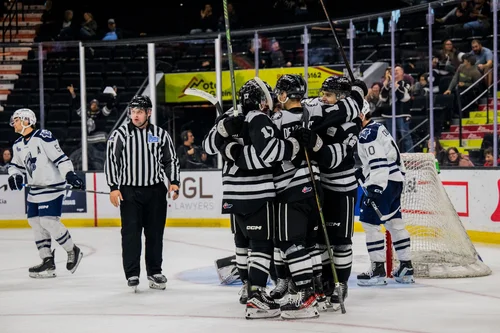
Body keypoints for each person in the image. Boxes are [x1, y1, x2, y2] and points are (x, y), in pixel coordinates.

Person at [210, 79, 303, 319]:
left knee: (245, 245)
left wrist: (228, 145)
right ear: (262, 100)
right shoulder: (260, 119)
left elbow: (211, 146)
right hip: (255, 193)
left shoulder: (231, 116)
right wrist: (293, 146)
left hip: (232, 194)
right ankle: (255, 295)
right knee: (261, 245)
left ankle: (249, 289)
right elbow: (268, 157)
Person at [104, 95, 180, 291]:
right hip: (130, 192)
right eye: (133, 112)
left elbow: (170, 160)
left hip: (155, 191)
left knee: (155, 234)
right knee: (131, 234)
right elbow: (112, 161)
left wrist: (174, 182)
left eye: (139, 112)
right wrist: (113, 187)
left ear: (149, 113)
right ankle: (132, 273)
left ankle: (155, 271)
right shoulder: (120, 135)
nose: (135, 116)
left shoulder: (160, 134)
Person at [306, 76, 364, 310]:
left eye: (328, 95)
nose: (323, 98)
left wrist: (315, 144)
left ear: (340, 98)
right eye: (323, 94)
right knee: (321, 241)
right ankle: (324, 282)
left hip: (342, 189)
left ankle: (341, 283)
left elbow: (332, 159)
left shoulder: (351, 126)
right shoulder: (330, 112)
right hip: (321, 187)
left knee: (340, 242)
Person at [7, 108, 85, 278]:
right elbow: (15, 166)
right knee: (35, 222)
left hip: (52, 187)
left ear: (27, 121)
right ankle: (47, 261)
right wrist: (15, 177)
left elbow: (61, 158)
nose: (14, 123)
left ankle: (73, 250)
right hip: (35, 189)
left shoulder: (43, 136)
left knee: (48, 221)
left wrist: (70, 174)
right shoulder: (18, 144)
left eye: (17, 120)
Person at [355, 102, 414, 286]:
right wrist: (363, 172)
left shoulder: (367, 133)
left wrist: (376, 187)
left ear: (361, 114)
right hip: (395, 181)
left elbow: (378, 162)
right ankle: (406, 267)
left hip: (383, 182)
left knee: (369, 223)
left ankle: (378, 270)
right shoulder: (378, 127)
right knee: (395, 222)